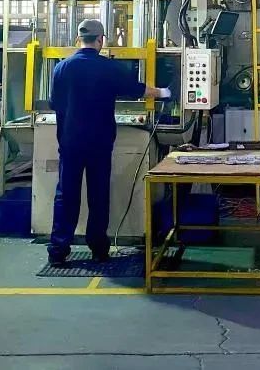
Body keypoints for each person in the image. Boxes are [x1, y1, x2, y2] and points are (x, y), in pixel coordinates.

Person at [47, 19, 171, 265]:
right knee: (98, 195)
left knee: (66, 195)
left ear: (78, 39)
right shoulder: (108, 68)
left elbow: (54, 103)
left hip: (70, 142)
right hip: (99, 142)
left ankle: (58, 251)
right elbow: (137, 89)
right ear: (101, 40)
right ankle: (98, 249)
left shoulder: (61, 67)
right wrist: (163, 92)